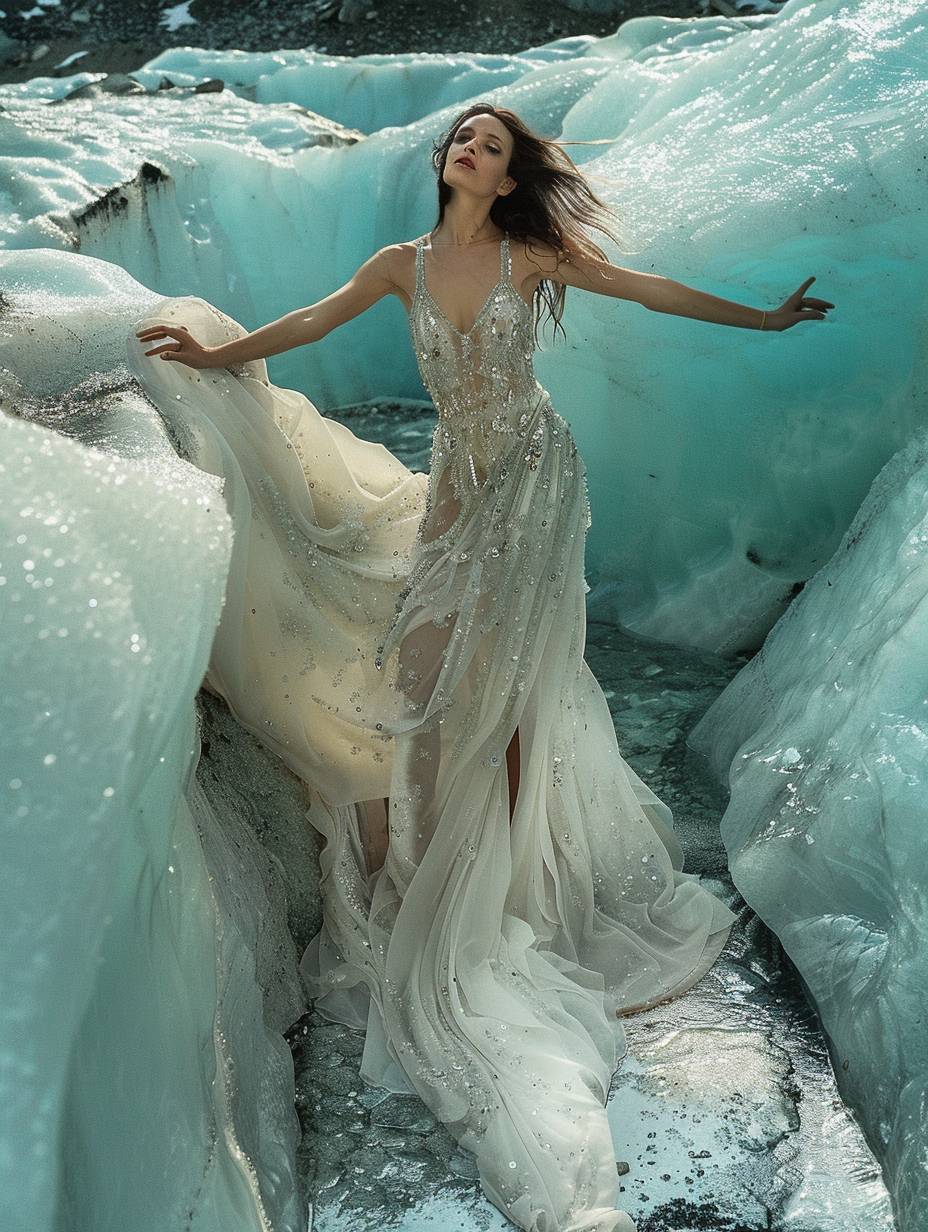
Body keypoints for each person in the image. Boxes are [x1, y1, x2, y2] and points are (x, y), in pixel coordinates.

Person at [132, 103, 833, 1232]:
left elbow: (647, 289)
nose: (475, 149)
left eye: (495, 145)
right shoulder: (398, 263)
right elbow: (312, 319)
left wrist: (762, 317)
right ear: (446, 159)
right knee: (419, 681)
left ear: (512, 179)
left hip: (537, 482)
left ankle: (503, 885)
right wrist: (219, 354)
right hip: (460, 483)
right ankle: (422, 855)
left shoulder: (529, 253)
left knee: (512, 691)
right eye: (466, 137)